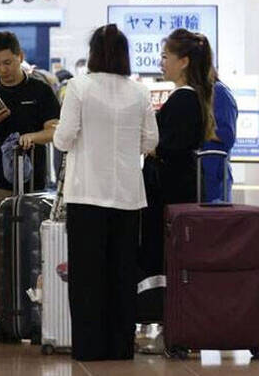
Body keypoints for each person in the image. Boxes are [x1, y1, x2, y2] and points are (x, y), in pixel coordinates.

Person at [53, 24, 159, 361]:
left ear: (94, 52)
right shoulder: (140, 91)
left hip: (86, 194)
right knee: (122, 272)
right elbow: (150, 141)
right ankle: (120, 345)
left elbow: (64, 138)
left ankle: (89, 347)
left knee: (87, 275)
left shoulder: (79, 87)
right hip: (128, 194)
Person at [137, 29, 216, 353]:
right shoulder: (191, 96)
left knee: (164, 257)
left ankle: (170, 324)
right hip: (175, 188)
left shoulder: (184, 99)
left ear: (183, 61)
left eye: (166, 57)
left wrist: (152, 147)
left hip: (168, 193)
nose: (162, 62)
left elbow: (169, 146)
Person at [0, 31, 60, 246]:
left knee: (32, 250)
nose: (2, 69)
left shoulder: (41, 91)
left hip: (32, 186)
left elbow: (55, 131)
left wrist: (32, 137)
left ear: (20, 56)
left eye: (7, 62)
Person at [201, 71, 238, 202]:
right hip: (202, 172)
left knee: (215, 218)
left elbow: (228, 135)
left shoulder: (219, 93)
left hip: (214, 172)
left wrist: (197, 131)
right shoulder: (200, 95)